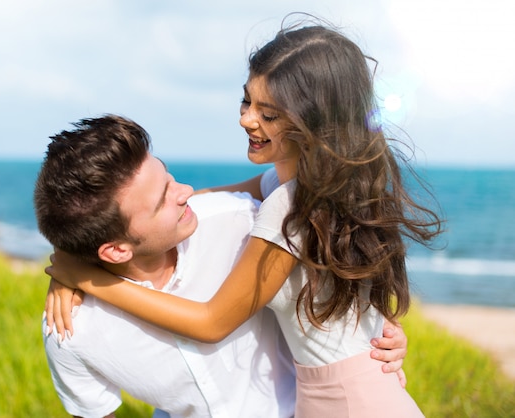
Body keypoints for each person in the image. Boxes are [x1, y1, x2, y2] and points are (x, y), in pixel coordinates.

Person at [45, 18, 442, 418]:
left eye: (269, 115)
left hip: (346, 401)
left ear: (314, 124)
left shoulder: (289, 208)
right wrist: (83, 245)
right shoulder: (328, 185)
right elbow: (197, 199)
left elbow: (212, 322)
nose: (247, 119)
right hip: (361, 390)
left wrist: (87, 278)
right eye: (246, 100)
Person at [35, 115, 408, 417]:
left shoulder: (244, 224)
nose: (185, 192)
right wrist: (73, 264)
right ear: (115, 251)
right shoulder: (72, 329)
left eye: (169, 178)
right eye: (163, 199)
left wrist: (378, 330)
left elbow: (339, 249)